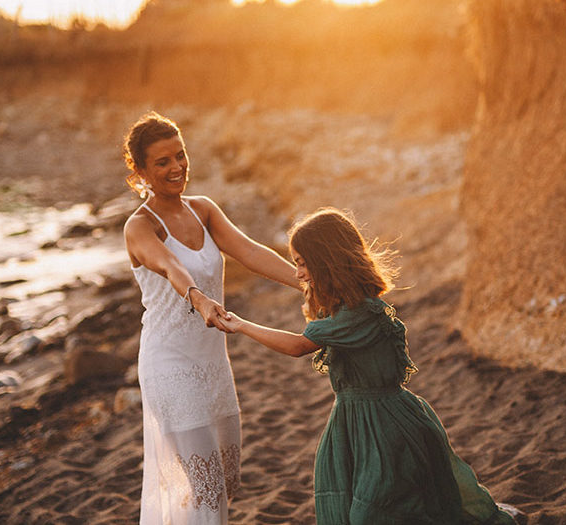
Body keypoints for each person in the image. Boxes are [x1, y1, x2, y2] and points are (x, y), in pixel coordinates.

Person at [218, 208, 520, 525]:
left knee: (373, 512)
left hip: (385, 424)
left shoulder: (359, 313)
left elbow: (298, 346)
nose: (298, 273)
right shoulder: (344, 308)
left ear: (326, 262)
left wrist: (240, 325)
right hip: (354, 422)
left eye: (303, 263)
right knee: (365, 506)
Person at [121, 112, 300, 524]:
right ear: (142, 171)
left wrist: (308, 285)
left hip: (213, 365)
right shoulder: (140, 226)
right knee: (206, 490)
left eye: (180, 155)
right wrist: (199, 299)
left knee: (224, 484)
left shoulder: (203, 209)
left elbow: (251, 252)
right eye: (162, 162)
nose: (176, 167)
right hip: (169, 366)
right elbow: (170, 267)